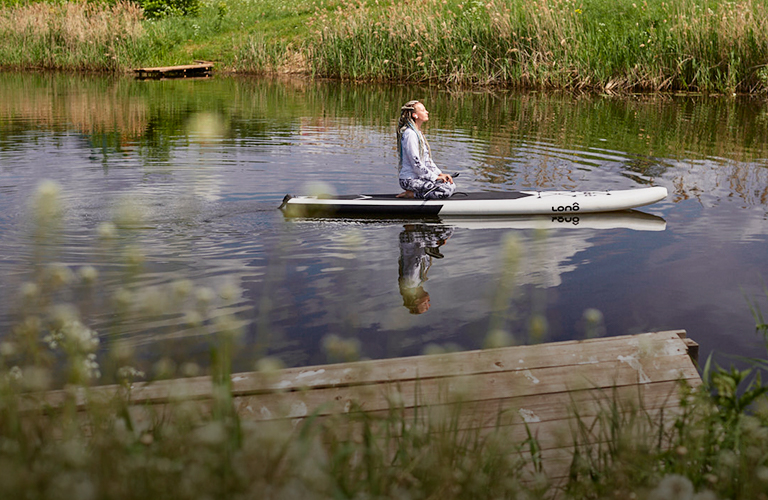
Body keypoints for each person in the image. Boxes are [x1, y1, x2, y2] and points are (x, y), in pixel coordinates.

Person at [396, 100, 456, 200]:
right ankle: (412, 195)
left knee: (451, 185)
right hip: (409, 180)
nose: (427, 112)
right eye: (423, 110)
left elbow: (427, 160)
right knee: (446, 190)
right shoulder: (410, 134)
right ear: (415, 115)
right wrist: (435, 178)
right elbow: (416, 163)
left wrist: (440, 174)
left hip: (420, 178)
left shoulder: (418, 133)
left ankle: (417, 192)